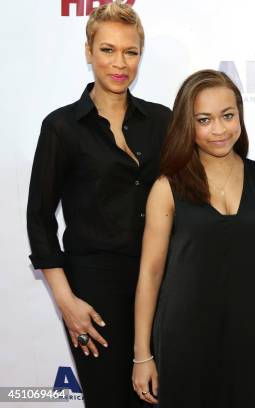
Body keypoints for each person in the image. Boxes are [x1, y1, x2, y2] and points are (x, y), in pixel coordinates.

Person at [26, 2, 171, 407]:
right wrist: (67, 302)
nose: (119, 63)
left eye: (130, 51)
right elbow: (39, 219)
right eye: (107, 50)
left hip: (161, 284)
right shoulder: (62, 127)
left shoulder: (162, 121)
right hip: (93, 292)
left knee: (159, 398)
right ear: (88, 52)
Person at [131, 69, 255, 407]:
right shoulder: (167, 187)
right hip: (185, 338)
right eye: (204, 119)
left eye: (228, 116)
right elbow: (150, 274)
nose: (219, 129)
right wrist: (142, 355)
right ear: (188, 124)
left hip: (251, 337)